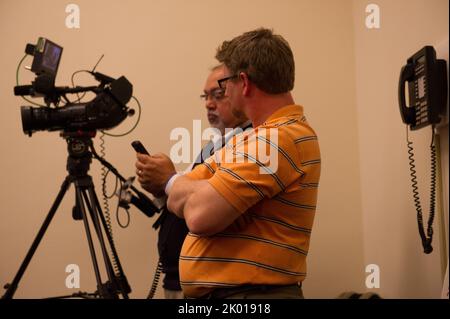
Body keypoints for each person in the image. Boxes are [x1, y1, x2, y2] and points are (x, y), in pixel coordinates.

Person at [164, 28, 321, 299]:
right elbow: (178, 195)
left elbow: (199, 216)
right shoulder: (251, 139)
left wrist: (190, 189)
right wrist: (189, 188)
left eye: (224, 85)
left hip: (250, 298)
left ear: (244, 83)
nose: (223, 94)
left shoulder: (277, 139)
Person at [135, 64, 250, 299]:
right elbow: (182, 195)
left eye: (218, 95)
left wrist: (167, 178)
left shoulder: (247, 145)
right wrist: (158, 186)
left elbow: (209, 204)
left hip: (214, 286)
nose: (209, 103)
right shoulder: (213, 146)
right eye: (205, 96)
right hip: (180, 278)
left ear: (241, 92)